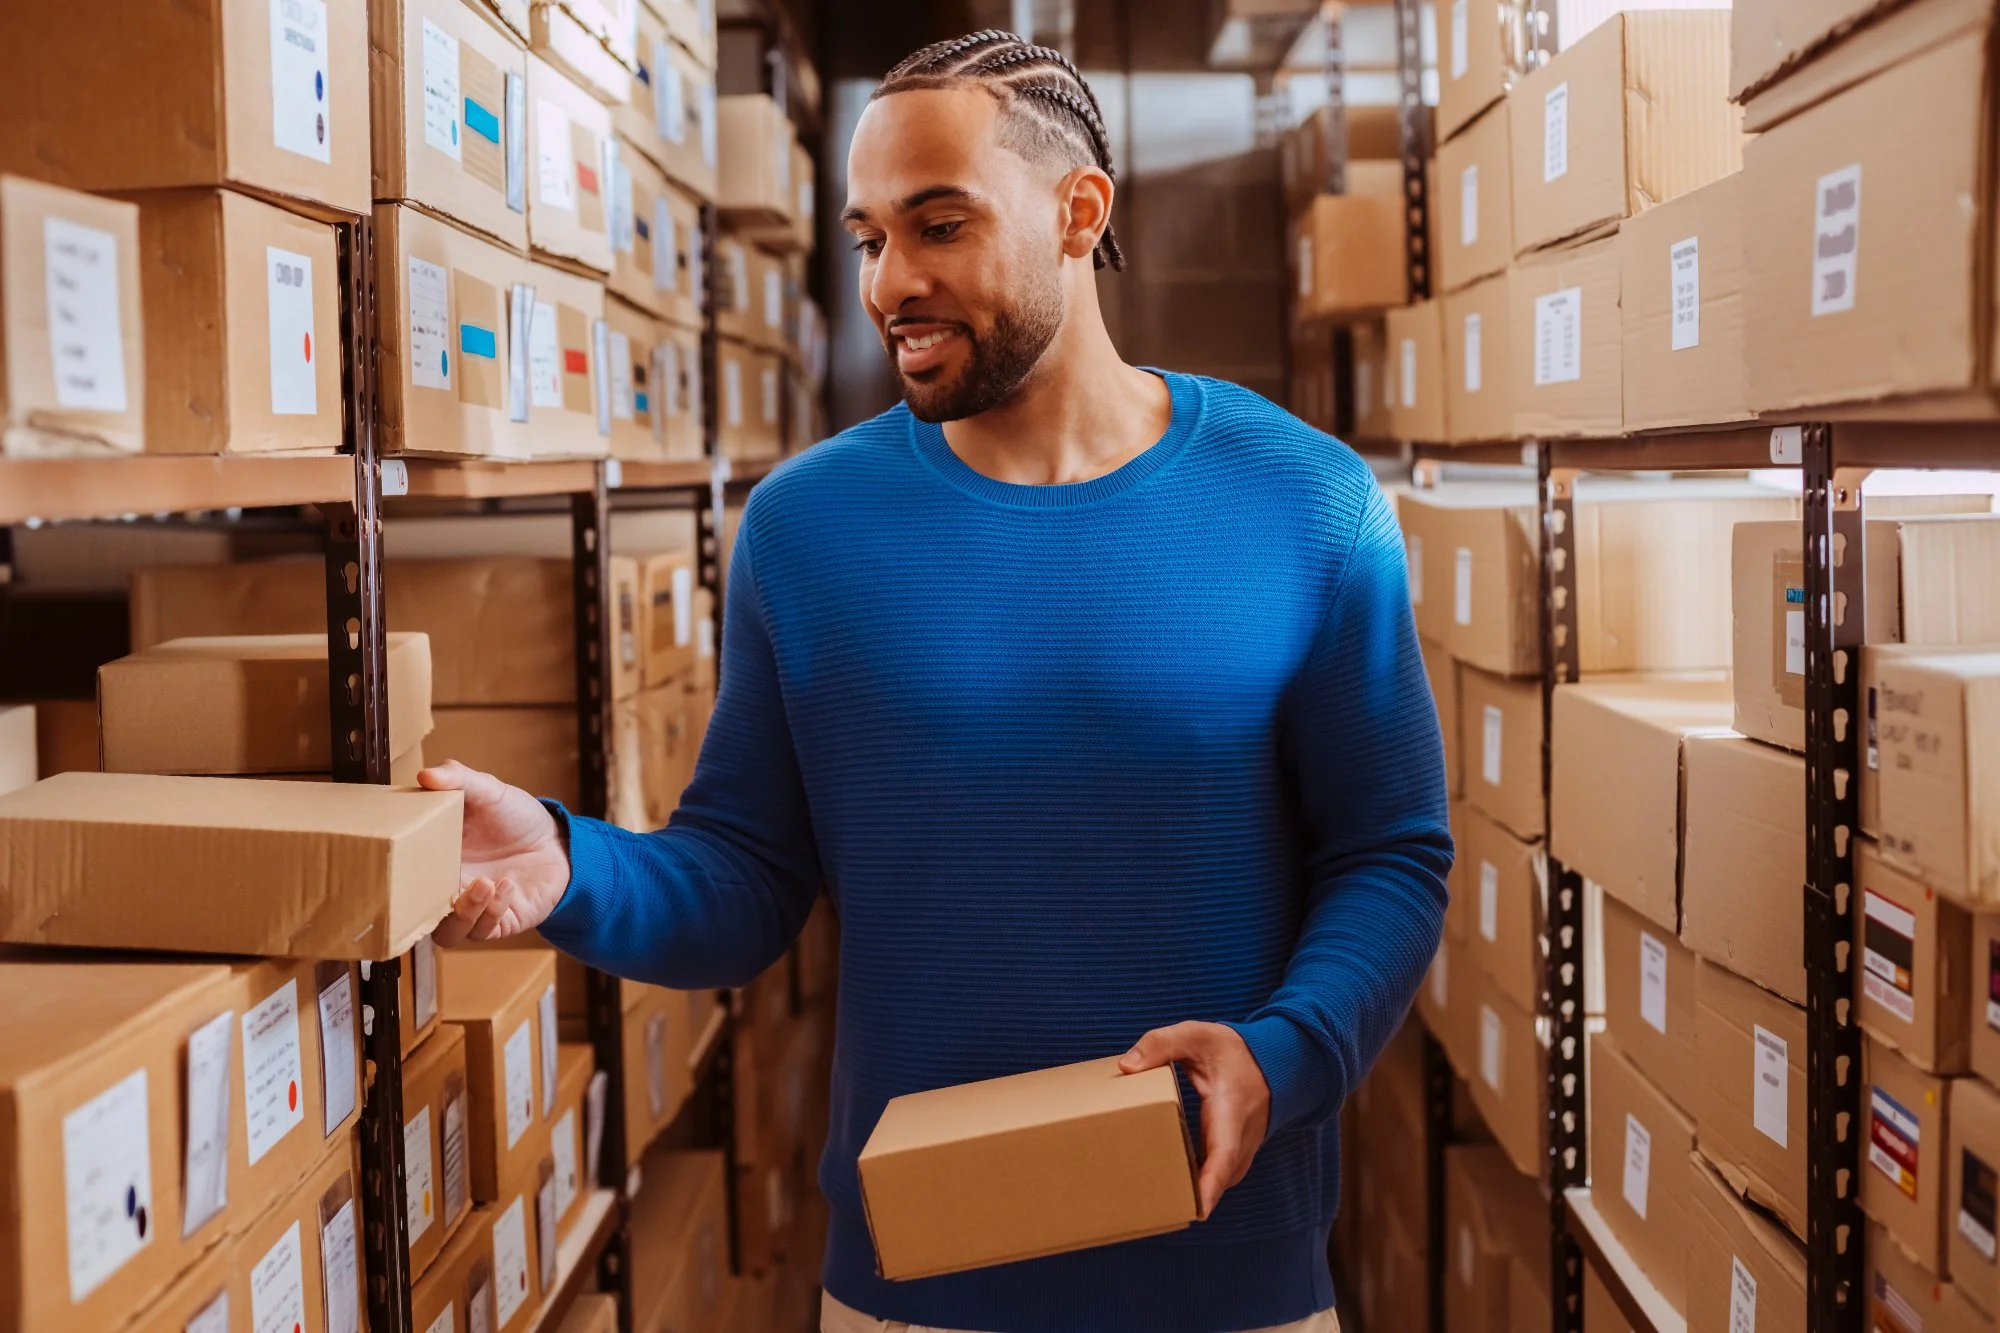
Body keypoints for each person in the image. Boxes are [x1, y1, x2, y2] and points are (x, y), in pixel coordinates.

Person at [424, 28, 1449, 1333]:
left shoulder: (1304, 504)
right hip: (918, 1289)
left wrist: (1283, 1053)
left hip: (1228, 1279)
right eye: (867, 240)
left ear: (1081, 214)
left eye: (940, 225)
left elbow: (1391, 855)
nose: (890, 281)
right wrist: (569, 867)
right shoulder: (806, 531)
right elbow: (744, 876)